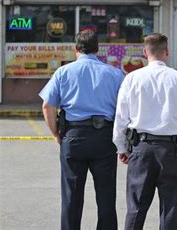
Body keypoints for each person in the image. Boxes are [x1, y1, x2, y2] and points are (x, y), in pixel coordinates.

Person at [113, 33, 177, 230]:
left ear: (145, 53)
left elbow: (121, 117)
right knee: (170, 209)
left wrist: (121, 147)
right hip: (173, 151)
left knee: (136, 209)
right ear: (167, 52)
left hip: (141, 149)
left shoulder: (132, 79)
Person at [39, 30, 124, 230]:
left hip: (73, 136)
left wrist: (56, 134)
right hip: (105, 138)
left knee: (71, 196)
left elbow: (47, 106)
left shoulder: (63, 72)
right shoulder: (115, 73)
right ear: (98, 49)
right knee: (106, 196)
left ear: (76, 49)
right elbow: (124, 109)